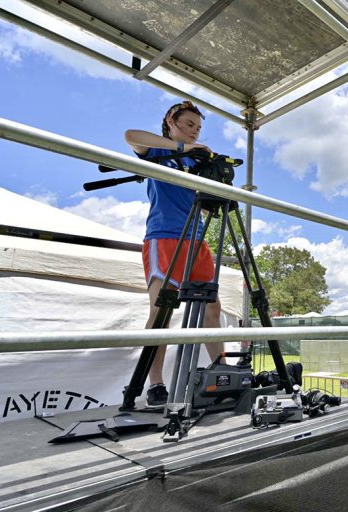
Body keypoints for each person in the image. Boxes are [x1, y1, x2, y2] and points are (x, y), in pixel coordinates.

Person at [125, 100, 225, 406]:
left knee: (212, 308)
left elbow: (204, 204)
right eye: (189, 124)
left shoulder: (195, 161)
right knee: (161, 311)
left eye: (198, 128)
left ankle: (221, 374)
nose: (194, 132)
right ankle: (155, 384)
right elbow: (130, 136)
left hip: (197, 239)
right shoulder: (159, 151)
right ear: (171, 120)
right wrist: (181, 147)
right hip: (164, 236)